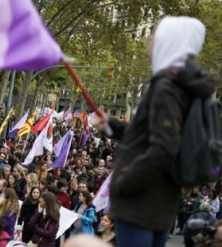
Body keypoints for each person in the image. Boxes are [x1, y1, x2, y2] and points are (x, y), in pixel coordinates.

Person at [92, 16, 215, 247]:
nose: (148, 41)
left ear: (166, 43)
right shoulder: (184, 84)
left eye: (153, 36)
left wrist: (124, 183)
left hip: (140, 203)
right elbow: (154, 135)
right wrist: (114, 126)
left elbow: (164, 147)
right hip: (161, 200)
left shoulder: (166, 87)